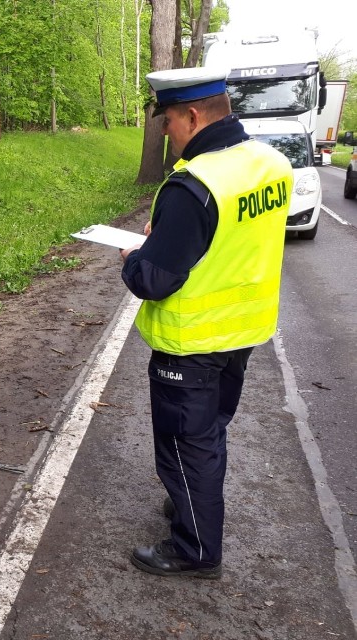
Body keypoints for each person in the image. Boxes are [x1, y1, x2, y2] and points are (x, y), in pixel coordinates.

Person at [119, 68, 293, 579]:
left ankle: (196, 550)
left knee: (182, 444)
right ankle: (191, 503)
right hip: (243, 333)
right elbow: (234, 237)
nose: (166, 131)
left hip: (191, 342)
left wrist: (135, 253)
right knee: (210, 429)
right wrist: (172, 235)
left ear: (193, 116)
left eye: (168, 120)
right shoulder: (269, 164)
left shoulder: (193, 184)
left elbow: (154, 279)